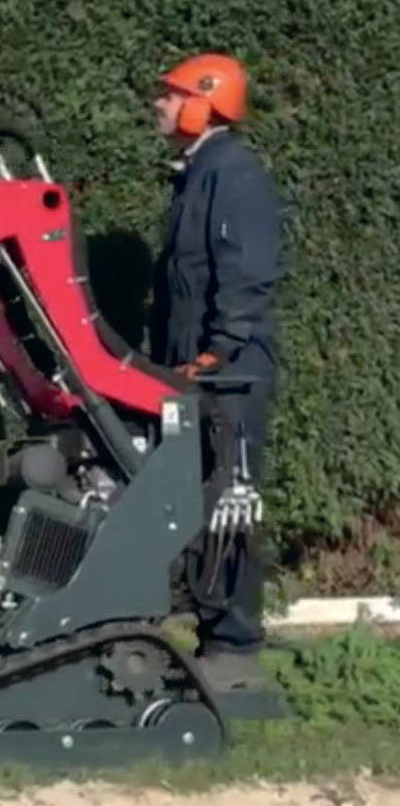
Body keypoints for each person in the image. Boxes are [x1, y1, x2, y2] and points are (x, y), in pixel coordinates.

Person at [148, 52, 284, 689]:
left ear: (207, 101)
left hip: (229, 375)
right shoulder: (197, 173)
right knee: (198, 503)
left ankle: (234, 651)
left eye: (172, 95)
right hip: (200, 372)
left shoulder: (233, 173)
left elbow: (245, 273)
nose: (159, 104)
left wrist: (218, 354)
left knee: (230, 505)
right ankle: (207, 630)